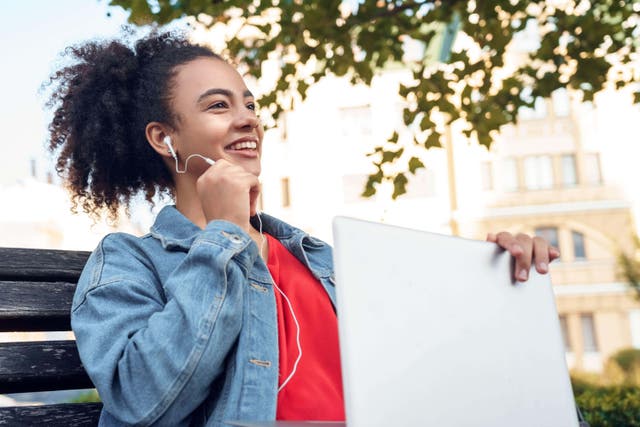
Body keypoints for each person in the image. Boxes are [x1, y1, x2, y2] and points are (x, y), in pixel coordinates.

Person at [46, 30, 559, 426]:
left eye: (250, 103)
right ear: (164, 138)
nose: (248, 119)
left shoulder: (319, 257)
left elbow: (430, 365)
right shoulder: (128, 260)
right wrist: (224, 233)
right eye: (219, 105)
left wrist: (494, 279)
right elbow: (143, 399)